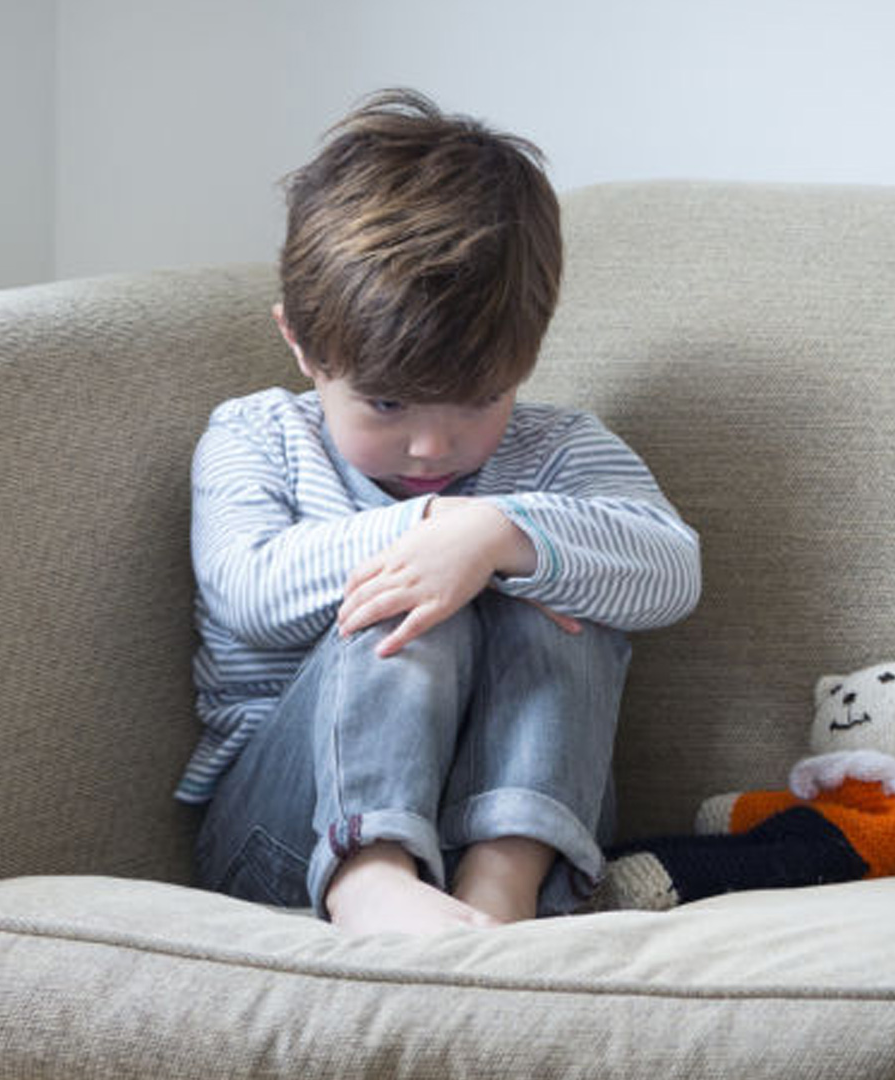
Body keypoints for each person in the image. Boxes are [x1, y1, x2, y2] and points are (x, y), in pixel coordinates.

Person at [182, 88, 701, 936]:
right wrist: (434, 538)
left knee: (559, 579)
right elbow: (248, 592)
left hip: (532, 834)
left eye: (476, 402)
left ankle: (503, 883)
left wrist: (501, 535)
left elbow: (673, 571)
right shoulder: (258, 437)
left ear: (524, 362)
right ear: (302, 347)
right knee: (418, 590)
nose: (432, 448)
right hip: (286, 835)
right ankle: (369, 871)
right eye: (386, 406)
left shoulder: (561, 452)